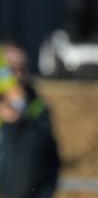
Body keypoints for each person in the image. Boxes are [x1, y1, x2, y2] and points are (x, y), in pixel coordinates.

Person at [0, 43, 60, 198]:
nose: (19, 74)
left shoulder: (37, 106)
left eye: (23, 67)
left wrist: (16, 121)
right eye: (11, 69)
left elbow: (50, 155)